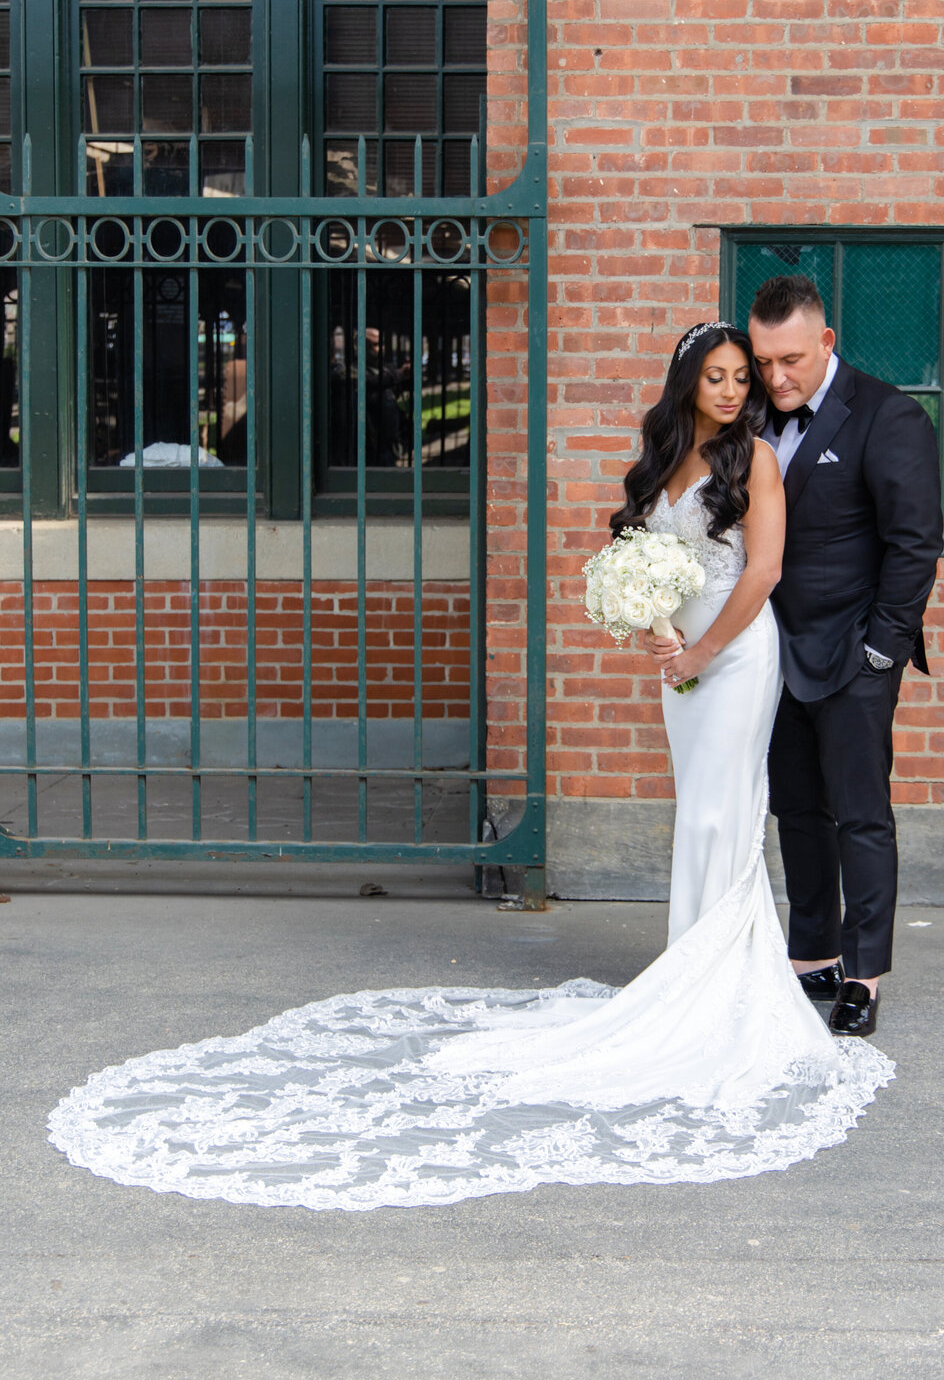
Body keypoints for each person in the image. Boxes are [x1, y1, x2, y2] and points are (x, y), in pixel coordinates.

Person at [47, 322, 892, 1211]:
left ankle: (716, 991)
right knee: (697, 809)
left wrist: (701, 651)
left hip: (737, 654)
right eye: (716, 377)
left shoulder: (753, 461)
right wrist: (652, 627)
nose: (731, 390)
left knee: (725, 809)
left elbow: (761, 574)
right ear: (686, 384)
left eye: (738, 378)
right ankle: (689, 968)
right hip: (683, 658)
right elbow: (644, 559)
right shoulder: (664, 464)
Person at [749, 274, 943, 1038]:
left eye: (790, 359)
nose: (775, 377)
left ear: (826, 342)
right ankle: (812, 957)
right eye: (764, 361)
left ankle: (863, 975)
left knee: (861, 816)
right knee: (796, 808)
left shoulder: (889, 416)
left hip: (855, 652)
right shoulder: (758, 414)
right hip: (774, 652)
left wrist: (881, 652)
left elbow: (914, 543)